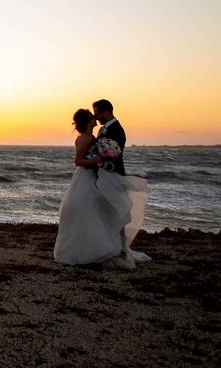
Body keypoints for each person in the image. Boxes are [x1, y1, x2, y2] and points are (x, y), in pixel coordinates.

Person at [53, 107, 150, 268]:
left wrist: (102, 158)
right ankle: (92, 249)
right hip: (86, 178)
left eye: (95, 114)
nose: (95, 118)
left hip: (92, 177)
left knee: (95, 212)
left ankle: (99, 247)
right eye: (92, 117)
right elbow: (78, 161)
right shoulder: (85, 138)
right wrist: (98, 159)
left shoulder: (92, 136)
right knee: (91, 211)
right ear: (87, 121)